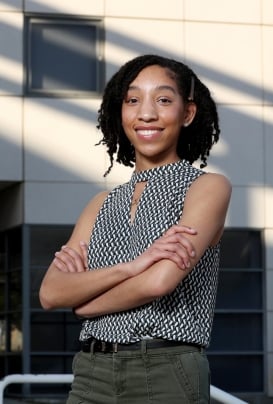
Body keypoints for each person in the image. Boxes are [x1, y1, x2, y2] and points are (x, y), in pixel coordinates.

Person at [39, 54, 231, 404]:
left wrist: (84, 304)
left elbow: (160, 282)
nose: (146, 113)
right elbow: (51, 293)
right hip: (90, 371)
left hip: (164, 368)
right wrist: (132, 266)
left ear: (187, 113)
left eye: (163, 99)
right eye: (132, 100)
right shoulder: (100, 204)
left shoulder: (207, 188)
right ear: (121, 112)